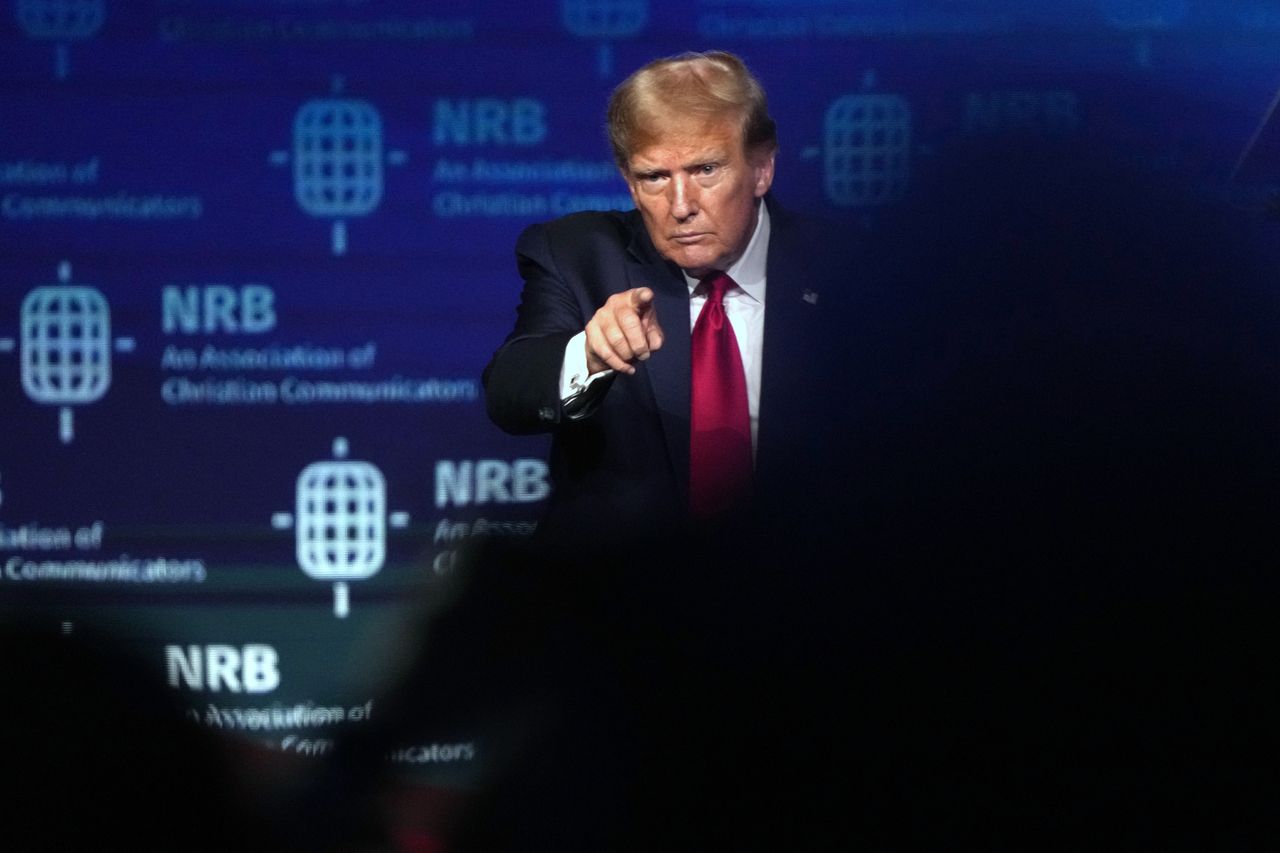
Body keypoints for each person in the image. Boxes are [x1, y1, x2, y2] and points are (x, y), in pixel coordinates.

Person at [483, 51, 869, 544]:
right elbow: (509, 390)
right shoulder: (580, 256)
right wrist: (590, 353)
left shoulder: (850, 271)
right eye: (655, 178)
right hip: (624, 598)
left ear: (762, 168)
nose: (681, 207)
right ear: (629, 182)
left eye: (706, 169)